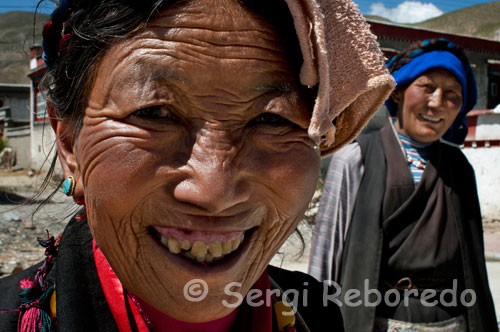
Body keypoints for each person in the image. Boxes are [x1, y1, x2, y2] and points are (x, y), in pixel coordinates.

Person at [0, 0, 394, 331]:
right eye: (154, 113)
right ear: (69, 145)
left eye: (271, 120)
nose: (214, 192)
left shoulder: (316, 314)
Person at [309, 38, 498, 331]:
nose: (437, 103)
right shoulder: (355, 158)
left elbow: (474, 266)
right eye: (427, 87)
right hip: (375, 321)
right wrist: (316, 321)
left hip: (451, 324)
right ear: (398, 92)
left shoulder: (459, 168)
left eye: (452, 94)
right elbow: (325, 259)